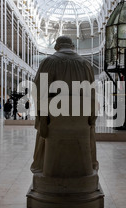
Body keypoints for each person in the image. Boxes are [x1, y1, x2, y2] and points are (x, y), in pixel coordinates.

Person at [30, 35, 98, 174]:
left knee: (44, 127)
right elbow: (92, 94)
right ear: (72, 46)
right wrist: (91, 118)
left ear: (57, 46)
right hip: (81, 121)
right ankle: (87, 165)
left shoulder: (49, 62)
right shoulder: (85, 64)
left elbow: (38, 92)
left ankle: (43, 166)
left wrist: (42, 119)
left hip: (54, 120)